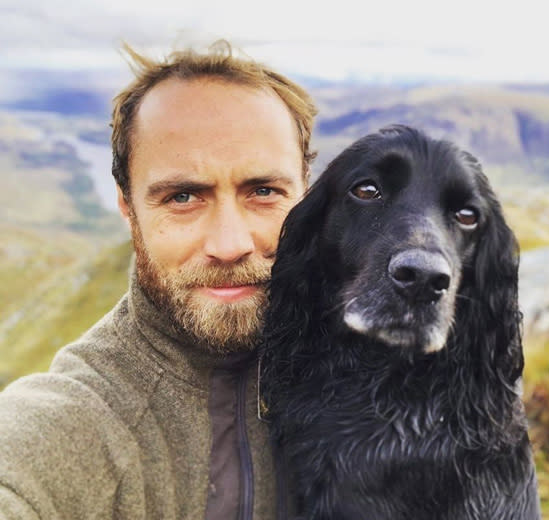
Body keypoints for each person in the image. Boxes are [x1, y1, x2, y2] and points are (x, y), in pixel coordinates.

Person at [0, 40, 317, 519]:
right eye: (184, 197)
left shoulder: (372, 365)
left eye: (264, 191)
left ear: (306, 194)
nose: (230, 243)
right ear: (128, 209)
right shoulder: (74, 422)